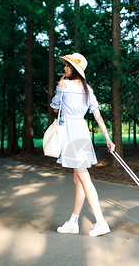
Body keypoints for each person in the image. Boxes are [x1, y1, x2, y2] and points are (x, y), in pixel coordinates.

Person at [50, 52, 116, 237]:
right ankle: (73, 221)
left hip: (71, 134)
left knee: (84, 178)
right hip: (82, 133)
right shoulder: (88, 89)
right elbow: (97, 116)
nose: (64, 68)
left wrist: (60, 84)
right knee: (78, 179)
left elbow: (55, 107)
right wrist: (108, 138)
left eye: (67, 65)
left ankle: (101, 222)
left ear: (74, 69)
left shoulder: (63, 84)